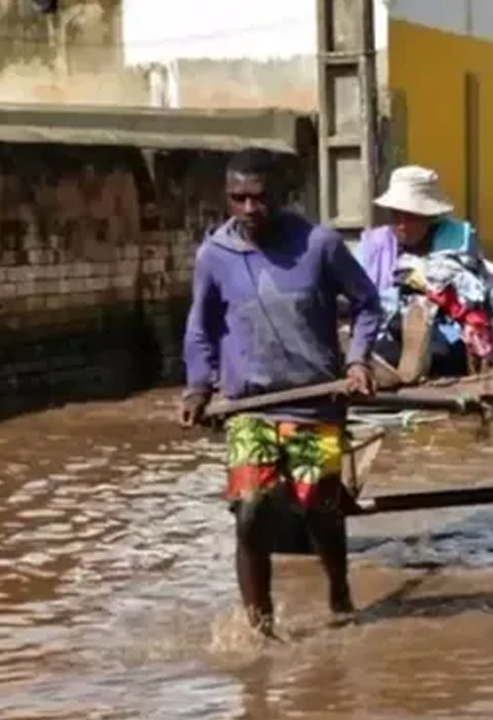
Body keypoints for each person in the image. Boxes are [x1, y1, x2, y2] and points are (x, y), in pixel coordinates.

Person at [177, 147, 383, 637]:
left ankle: (338, 590)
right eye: (238, 199)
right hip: (250, 408)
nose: (250, 209)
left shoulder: (320, 245)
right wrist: (196, 388)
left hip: (315, 403)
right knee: (250, 509)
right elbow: (200, 330)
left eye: (260, 198)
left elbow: (367, 303)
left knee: (319, 507)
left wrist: (357, 361)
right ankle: (259, 626)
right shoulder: (214, 256)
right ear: (227, 198)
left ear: (282, 196)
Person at [359, 165, 493, 383]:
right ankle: (399, 368)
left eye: (410, 217)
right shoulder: (376, 245)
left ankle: (411, 363)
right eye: (396, 215)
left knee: (440, 348)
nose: (401, 225)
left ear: (428, 215)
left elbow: (478, 294)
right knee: (386, 336)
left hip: (446, 337)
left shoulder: (457, 242)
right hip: (390, 333)